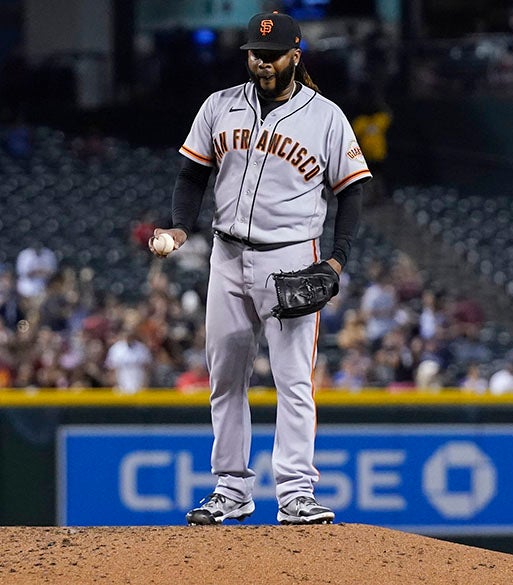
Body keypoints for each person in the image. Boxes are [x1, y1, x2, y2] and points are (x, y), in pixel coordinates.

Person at [150, 11, 371, 526]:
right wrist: (183, 227)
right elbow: (191, 174)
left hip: (291, 256)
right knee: (225, 376)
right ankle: (231, 488)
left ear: (296, 55)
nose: (262, 63)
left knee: (293, 379)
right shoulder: (219, 106)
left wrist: (337, 257)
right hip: (226, 255)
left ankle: (295, 491)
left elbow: (353, 190)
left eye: (272, 55)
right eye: (254, 53)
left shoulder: (326, 117)